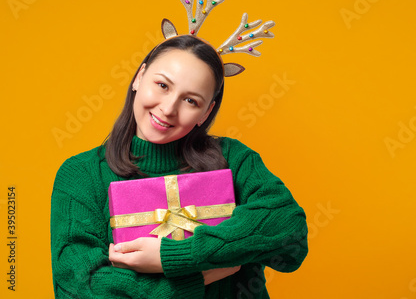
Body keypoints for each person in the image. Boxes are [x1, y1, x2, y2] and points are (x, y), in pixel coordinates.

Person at [50, 35, 308, 298]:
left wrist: (171, 256)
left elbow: (290, 232)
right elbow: (79, 287)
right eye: (162, 85)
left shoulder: (234, 159)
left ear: (206, 113)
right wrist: (196, 278)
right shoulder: (82, 174)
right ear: (140, 77)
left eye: (191, 101)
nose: (168, 108)